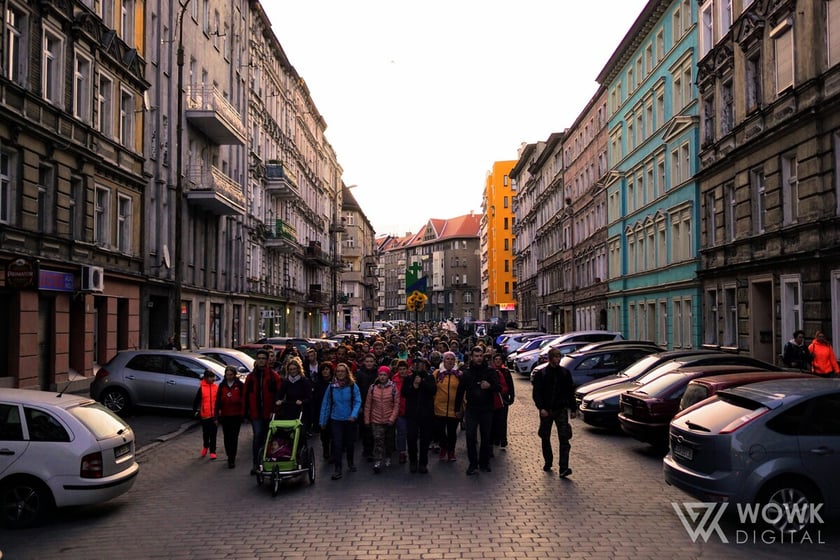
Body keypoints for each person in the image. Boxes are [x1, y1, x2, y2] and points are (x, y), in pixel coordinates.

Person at [532, 347, 576, 478]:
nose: (558, 360)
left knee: (564, 438)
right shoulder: (542, 374)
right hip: (546, 410)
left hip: (560, 410)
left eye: (559, 357)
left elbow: (569, 392)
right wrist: (541, 408)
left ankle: (564, 467)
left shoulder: (565, 373)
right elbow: (537, 393)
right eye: (555, 357)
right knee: (545, 436)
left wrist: (573, 409)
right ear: (550, 359)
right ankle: (548, 461)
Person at [455, 346, 499, 475]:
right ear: (472, 357)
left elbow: (498, 388)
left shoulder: (490, 372)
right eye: (476, 356)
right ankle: (473, 464)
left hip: (487, 409)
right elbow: (460, 391)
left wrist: (489, 386)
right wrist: (457, 409)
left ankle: (484, 463)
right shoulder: (467, 373)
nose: (478, 358)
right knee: (470, 436)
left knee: (486, 437)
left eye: (480, 356)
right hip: (472, 409)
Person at [319, 362, 362, 480]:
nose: (340, 373)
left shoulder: (353, 386)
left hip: (349, 420)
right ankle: (338, 469)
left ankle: (350, 462)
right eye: (338, 371)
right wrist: (322, 421)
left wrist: (353, 415)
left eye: (343, 371)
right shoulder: (332, 386)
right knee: (337, 444)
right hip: (335, 419)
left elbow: (358, 401)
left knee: (349, 443)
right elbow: (326, 404)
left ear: (347, 372)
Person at [243, 349, 282, 475]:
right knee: (257, 437)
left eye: (263, 358)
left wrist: (274, 411)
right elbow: (245, 396)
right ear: (256, 360)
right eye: (259, 358)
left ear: (267, 360)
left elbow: (278, 395)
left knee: (268, 439)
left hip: (269, 413)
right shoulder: (251, 377)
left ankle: (268, 462)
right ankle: (256, 463)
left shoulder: (273, 376)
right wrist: (246, 412)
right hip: (255, 414)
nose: (261, 360)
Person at [402, 357, 437, 473]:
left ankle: (423, 463)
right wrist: (414, 387)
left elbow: (433, 390)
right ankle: (413, 461)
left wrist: (422, 383)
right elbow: (404, 393)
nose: (418, 366)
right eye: (416, 364)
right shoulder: (408, 379)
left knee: (425, 440)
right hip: (412, 414)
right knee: (411, 438)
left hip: (426, 414)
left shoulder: (430, 377)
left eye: (421, 364)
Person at [363, 366, 400, 473]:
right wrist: (367, 419)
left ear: (388, 376)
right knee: (378, 440)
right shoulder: (373, 388)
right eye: (380, 375)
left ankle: (388, 455)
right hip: (376, 419)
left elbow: (396, 405)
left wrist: (392, 418)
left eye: (384, 375)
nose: (382, 377)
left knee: (389, 441)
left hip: (389, 420)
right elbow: (368, 404)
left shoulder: (393, 388)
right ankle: (378, 460)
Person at [434, 351, 462, 462]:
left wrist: (461, 408)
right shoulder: (437, 374)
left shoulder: (459, 375)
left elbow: (462, 392)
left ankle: (451, 451)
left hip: (453, 409)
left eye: (452, 359)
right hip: (439, 408)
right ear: (443, 360)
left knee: (452, 432)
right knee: (439, 431)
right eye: (447, 359)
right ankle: (443, 446)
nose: (449, 361)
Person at [215, 365, 245, 468]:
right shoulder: (222, 386)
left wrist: (243, 413)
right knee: (227, 437)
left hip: (236, 416)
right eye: (227, 375)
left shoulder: (240, 385)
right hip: (225, 415)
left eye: (231, 375)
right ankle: (229, 453)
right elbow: (218, 401)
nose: (229, 376)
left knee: (234, 437)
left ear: (234, 375)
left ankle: (232, 458)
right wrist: (216, 416)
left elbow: (243, 400)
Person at [277, 357, 313, 430]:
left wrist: (302, 401)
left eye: (294, 369)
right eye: (290, 369)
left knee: (300, 431)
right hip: (289, 410)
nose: (293, 371)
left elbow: (309, 397)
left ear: (298, 369)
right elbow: (280, 394)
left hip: (301, 410)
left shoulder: (304, 381)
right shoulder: (286, 382)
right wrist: (278, 400)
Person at [355, 353, 379, 461]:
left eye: (371, 361)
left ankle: (372, 449)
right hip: (363, 403)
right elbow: (357, 390)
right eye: (367, 361)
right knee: (365, 428)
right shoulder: (360, 374)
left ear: (374, 362)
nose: (369, 364)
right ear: (364, 362)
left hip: (376, 404)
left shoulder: (378, 373)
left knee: (374, 428)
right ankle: (367, 449)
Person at [192, 369, 219, 460]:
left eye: (213, 377)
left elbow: (219, 401)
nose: (213, 379)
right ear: (206, 378)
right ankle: (205, 446)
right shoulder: (202, 388)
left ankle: (213, 451)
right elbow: (196, 400)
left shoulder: (216, 387)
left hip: (214, 415)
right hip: (205, 415)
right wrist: (195, 410)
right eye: (211, 377)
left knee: (213, 434)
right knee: (206, 433)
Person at [491, 354, 515, 449]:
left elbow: (510, 385)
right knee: (494, 419)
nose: (497, 361)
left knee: (503, 419)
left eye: (499, 359)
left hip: (504, 398)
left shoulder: (506, 372)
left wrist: (512, 396)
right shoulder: (491, 371)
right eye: (495, 359)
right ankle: (496, 438)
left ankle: (503, 438)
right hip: (494, 398)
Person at [312, 362, 335, 460]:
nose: (325, 371)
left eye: (327, 369)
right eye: (323, 370)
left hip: (334, 412)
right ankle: (326, 450)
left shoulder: (335, 383)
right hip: (322, 412)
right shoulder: (318, 383)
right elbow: (315, 400)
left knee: (334, 434)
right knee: (324, 434)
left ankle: (333, 452)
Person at [390, 360, 411, 464]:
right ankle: (402, 452)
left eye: (404, 369)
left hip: (411, 410)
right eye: (400, 369)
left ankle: (412, 452)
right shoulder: (394, 380)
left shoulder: (412, 378)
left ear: (407, 369)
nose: (402, 371)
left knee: (411, 433)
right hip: (399, 410)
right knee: (401, 432)